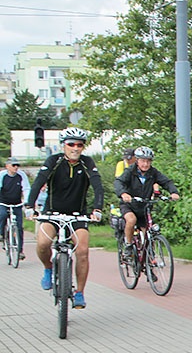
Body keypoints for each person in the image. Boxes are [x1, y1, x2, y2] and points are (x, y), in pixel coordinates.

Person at [26, 127, 104, 309]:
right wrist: (30, 206)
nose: (75, 148)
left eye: (79, 145)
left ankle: (79, 293)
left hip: (78, 215)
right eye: (71, 144)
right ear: (64, 146)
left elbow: (98, 186)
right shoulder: (54, 161)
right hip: (52, 213)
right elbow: (38, 182)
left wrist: (97, 209)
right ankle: (48, 268)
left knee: (83, 251)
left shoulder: (87, 162)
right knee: (43, 244)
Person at [114, 146, 180, 260]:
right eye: (143, 161)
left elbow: (166, 182)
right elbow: (119, 182)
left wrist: (173, 192)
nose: (146, 164)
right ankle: (128, 245)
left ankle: (149, 259)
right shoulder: (130, 171)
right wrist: (124, 194)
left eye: (148, 161)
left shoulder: (153, 172)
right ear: (137, 160)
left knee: (148, 232)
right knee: (131, 220)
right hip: (129, 205)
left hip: (144, 206)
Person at [0, 157, 31, 260]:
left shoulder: (21, 175)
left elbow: (26, 188)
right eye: (13, 165)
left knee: (18, 226)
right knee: (3, 215)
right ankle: (1, 234)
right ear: (7, 166)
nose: (16, 167)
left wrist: (27, 202)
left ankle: (20, 250)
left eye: (17, 165)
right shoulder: (2, 175)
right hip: (3, 202)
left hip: (17, 203)